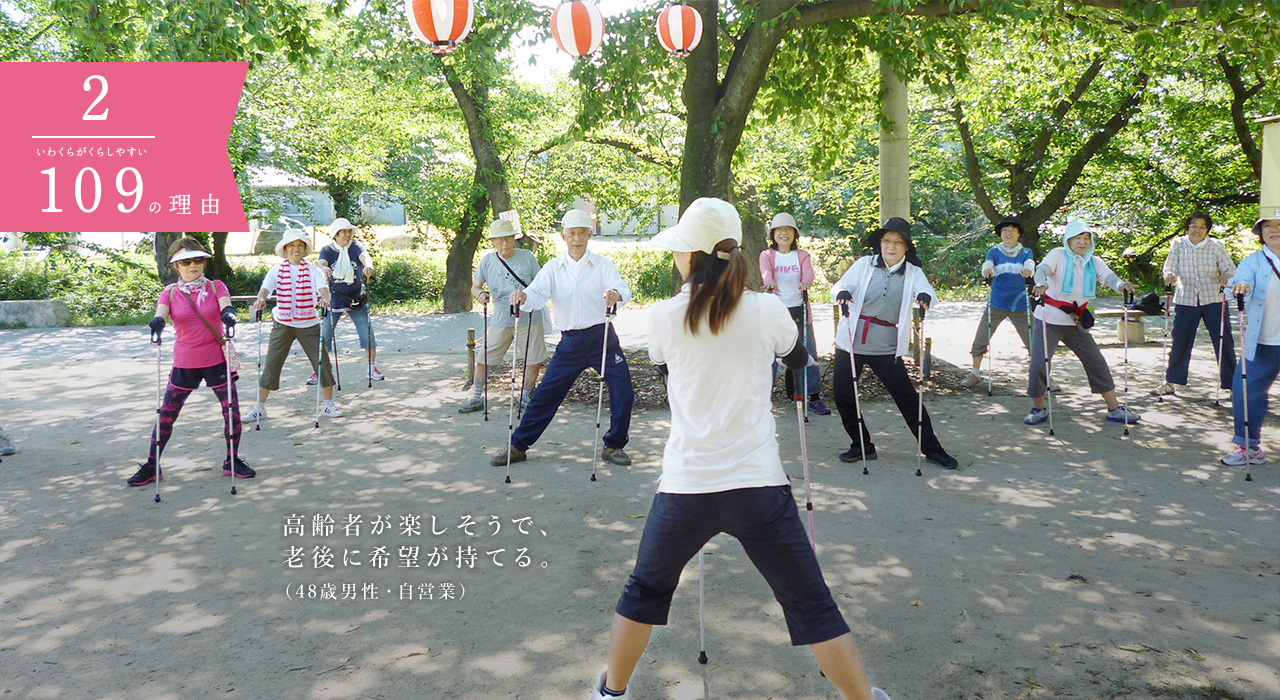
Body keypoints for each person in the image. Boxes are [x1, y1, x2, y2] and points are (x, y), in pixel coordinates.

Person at [589, 197, 890, 700]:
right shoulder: (767, 308)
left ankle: (612, 692)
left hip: (686, 486)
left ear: (690, 256)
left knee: (644, 591)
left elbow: (669, 372)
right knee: (812, 603)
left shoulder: (664, 317)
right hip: (759, 488)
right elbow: (798, 358)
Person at [489, 209, 634, 467]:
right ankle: (518, 445)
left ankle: (614, 446)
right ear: (563, 236)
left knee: (624, 390)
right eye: (572, 233)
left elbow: (624, 289)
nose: (577, 238)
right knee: (546, 394)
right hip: (570, 343)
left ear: (589, 234)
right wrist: (522, 297)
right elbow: (534, 295)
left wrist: (615, 293)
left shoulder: (603, 265)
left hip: (602, 338)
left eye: (582, 233)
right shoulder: (553, 268)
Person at [829, 217, 960, 469]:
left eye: (897, 242)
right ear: (880, 243)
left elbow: (929, 292)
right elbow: (840, 285)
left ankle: (933, 449)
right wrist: (841, 293)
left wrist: (923, 296)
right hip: (851, 344)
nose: (891, 246)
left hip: (886, 347)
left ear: (906, 247)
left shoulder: (913, 272)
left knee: (907, 399)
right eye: (887, 241)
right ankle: (861, 445)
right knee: (843, 396)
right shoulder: (863, 264)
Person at [127, 237, 253, 486]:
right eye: (185, 261)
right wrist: (158, 323)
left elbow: (226, 306)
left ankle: (232, 460)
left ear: (204, 263)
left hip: (216, 359)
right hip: (185, 362)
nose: (192, 265)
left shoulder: (217, 287)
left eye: (197, 260)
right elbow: (160, 314)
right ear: (176, 267)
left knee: (231, 412)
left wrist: (229, 315)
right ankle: (152, 465)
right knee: (166, 415)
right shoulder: (169, 293)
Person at [1024, 218, 1141, 426]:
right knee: (1039, 364)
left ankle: (1114, 408)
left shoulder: (1093, 261)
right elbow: (1042, 270)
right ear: (1068, 240)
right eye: (1077, 238)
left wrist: (1121, 284)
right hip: (1049, 319)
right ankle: (1038, 409)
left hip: (1076, 321)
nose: (1082, 242)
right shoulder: (1057, 255)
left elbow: (1109, 277)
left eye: (1086, 238)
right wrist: (1040, 282)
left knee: (1096, 362)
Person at [246, 229, 342, 421]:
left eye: (299, 245)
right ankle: (259, 406)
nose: (295, 249)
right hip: (282, 323)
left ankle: (328, 404)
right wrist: (261, 299)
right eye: (292, 245)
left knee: (322, 362)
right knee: (272, 364)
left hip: (309, 323)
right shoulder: (276, 271)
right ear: (286, 249)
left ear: (304, 249)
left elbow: (322, 288)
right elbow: (265, 289)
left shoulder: (314, 271)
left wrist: (325, 297)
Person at [460, 219, 548, 413]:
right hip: (501, 317)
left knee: (533, 359)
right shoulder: (488, 261)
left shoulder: (527, 257)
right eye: (499, 240)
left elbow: (541, 285)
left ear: (514, 238)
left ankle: (524, 396)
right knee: (482, 358)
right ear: (493, 241)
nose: (505, 244)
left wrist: (526, 295)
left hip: (528, 316)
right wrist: (481, 295)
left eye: (508, 239)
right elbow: (475, 287)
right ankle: (476, 398)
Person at [1221, 208, 1280, 466]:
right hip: (1263, 342)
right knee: (1245, 392)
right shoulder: (1253, 261)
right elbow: (1240, 278)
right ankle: (1249, 447)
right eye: (1268, 226)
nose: (1275, 230)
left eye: (1279, 224)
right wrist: (1240, 285)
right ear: (1261, 233)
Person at [1156, 211, 1236, 396]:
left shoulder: (1216, 245)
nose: (1197, 230)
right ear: (1187, 227)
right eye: (1194, 225)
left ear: (1207, 229)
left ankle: (1232, 385)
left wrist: (1227, 275)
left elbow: (1229, 267)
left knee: (1223, 341)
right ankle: (1171, 382)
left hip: (1214, 298)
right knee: (1180, 341)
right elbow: (1169, 266)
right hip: (1186, 298)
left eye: (1202, 227)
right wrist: (1169, 274)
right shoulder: (1178, 244)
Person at [760, 212, 830, 415]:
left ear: (794, 234)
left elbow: (809, 272)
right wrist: (769, 283)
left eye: (788, 229)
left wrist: (806, 281)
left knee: (808, 352)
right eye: (779, 230)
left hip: (799, 309)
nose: (784, 233)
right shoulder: (767, 255)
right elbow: (766, 272)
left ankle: (814, 396)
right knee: (769, 355)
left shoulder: (802, 255)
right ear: (773, 234)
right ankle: (764, 398)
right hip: (776, 311)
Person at [963, 217, 1035, 388]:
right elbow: (987, 264)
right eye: (1004, 230)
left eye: (1012, 229)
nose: (1008, 233)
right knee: (982, 336)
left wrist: (1029, 270)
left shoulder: (1026, 252)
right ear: (1000, 234)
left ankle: (1043, 375)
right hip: (997, 302)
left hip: (1020, 305)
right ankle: (974, 373)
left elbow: (1030, 264)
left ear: (1018, 234)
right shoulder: (994, 252)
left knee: (1034, 340)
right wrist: (987, 269)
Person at [312, 217, 384, 385]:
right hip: (334, 298)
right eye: (343, 232)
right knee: (325, 335)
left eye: (349, 231)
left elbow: (365, 256)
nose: (347, 234)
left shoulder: (356, 246)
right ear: (335, 235)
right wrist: (323, 268)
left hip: (356, 298)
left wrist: (368, 266)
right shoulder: (328, 250)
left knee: (367, 332)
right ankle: (318, 370)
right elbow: (320, 263)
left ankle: (371, 367)